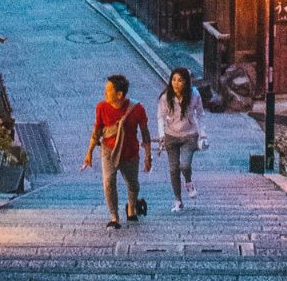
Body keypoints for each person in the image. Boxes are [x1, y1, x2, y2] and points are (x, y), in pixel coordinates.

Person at [83, 73, 150, 228]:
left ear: (119, 94)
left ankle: (131, 208)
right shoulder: (101, 107)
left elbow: (145, 133)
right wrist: (89, 152)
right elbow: (97, 130)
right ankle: (114, 216)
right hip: (109, 150)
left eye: (108, 90)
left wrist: (148, 156)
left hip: (130, 152)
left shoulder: (137, 109)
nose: (105, 93)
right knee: (108, 181)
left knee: (133, 184)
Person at [157, 67, 205, 212]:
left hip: (189, 135)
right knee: (173, 169)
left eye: (180, 80)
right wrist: (161, 135)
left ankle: (189, 182)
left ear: (186, 82)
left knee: (184, 165)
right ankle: (178, 200)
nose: (176, 83)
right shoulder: (166, 97)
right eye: (174, 80)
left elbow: (200, 114)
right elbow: (160, 116)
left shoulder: (194, 94)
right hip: (170, 136)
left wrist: (202, 133)